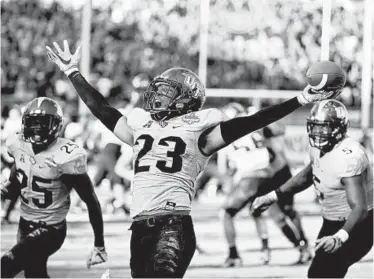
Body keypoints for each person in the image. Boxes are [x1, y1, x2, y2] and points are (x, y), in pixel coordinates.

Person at [46, 40, 339, 278]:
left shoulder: (200, 131)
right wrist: (73, 73)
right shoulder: (140, 126)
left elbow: (251, 122)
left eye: (167, 91)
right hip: (139, 228)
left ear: (185, 99)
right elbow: (103, 109)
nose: (158, 95)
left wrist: (300, 99)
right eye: (159, 89)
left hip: (172, 227)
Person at [252, 99, 373, 278]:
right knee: (317, 273)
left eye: (325, 127)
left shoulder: (349, 156)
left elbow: (360, 208)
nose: (319, 132)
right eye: (316, 127)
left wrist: (340, 237)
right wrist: (273, 196)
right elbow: (307, 175)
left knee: (325, 273)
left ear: (340, 128)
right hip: (332, 222)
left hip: (358, 226)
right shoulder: (318, 148)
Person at [0, 97, 107, 278]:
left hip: (51, 229)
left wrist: (99, 244)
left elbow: (91, 201)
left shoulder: (67, 156)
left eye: (43, 123)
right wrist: (7, 189)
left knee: (5, 266)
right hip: (25, 224)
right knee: (35, 275)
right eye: (33, 122)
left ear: (56, 125)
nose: (37, 128)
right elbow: (17, 179)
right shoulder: (17, 144)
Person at [218, 103, 311, 267]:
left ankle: (234, 255)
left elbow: (223, 168)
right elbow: (280, 131)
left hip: (253, 177)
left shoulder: (223, 134)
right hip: (271, 173)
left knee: (226, 213)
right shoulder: (255, 125)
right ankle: (299, 247)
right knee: (274, 215)